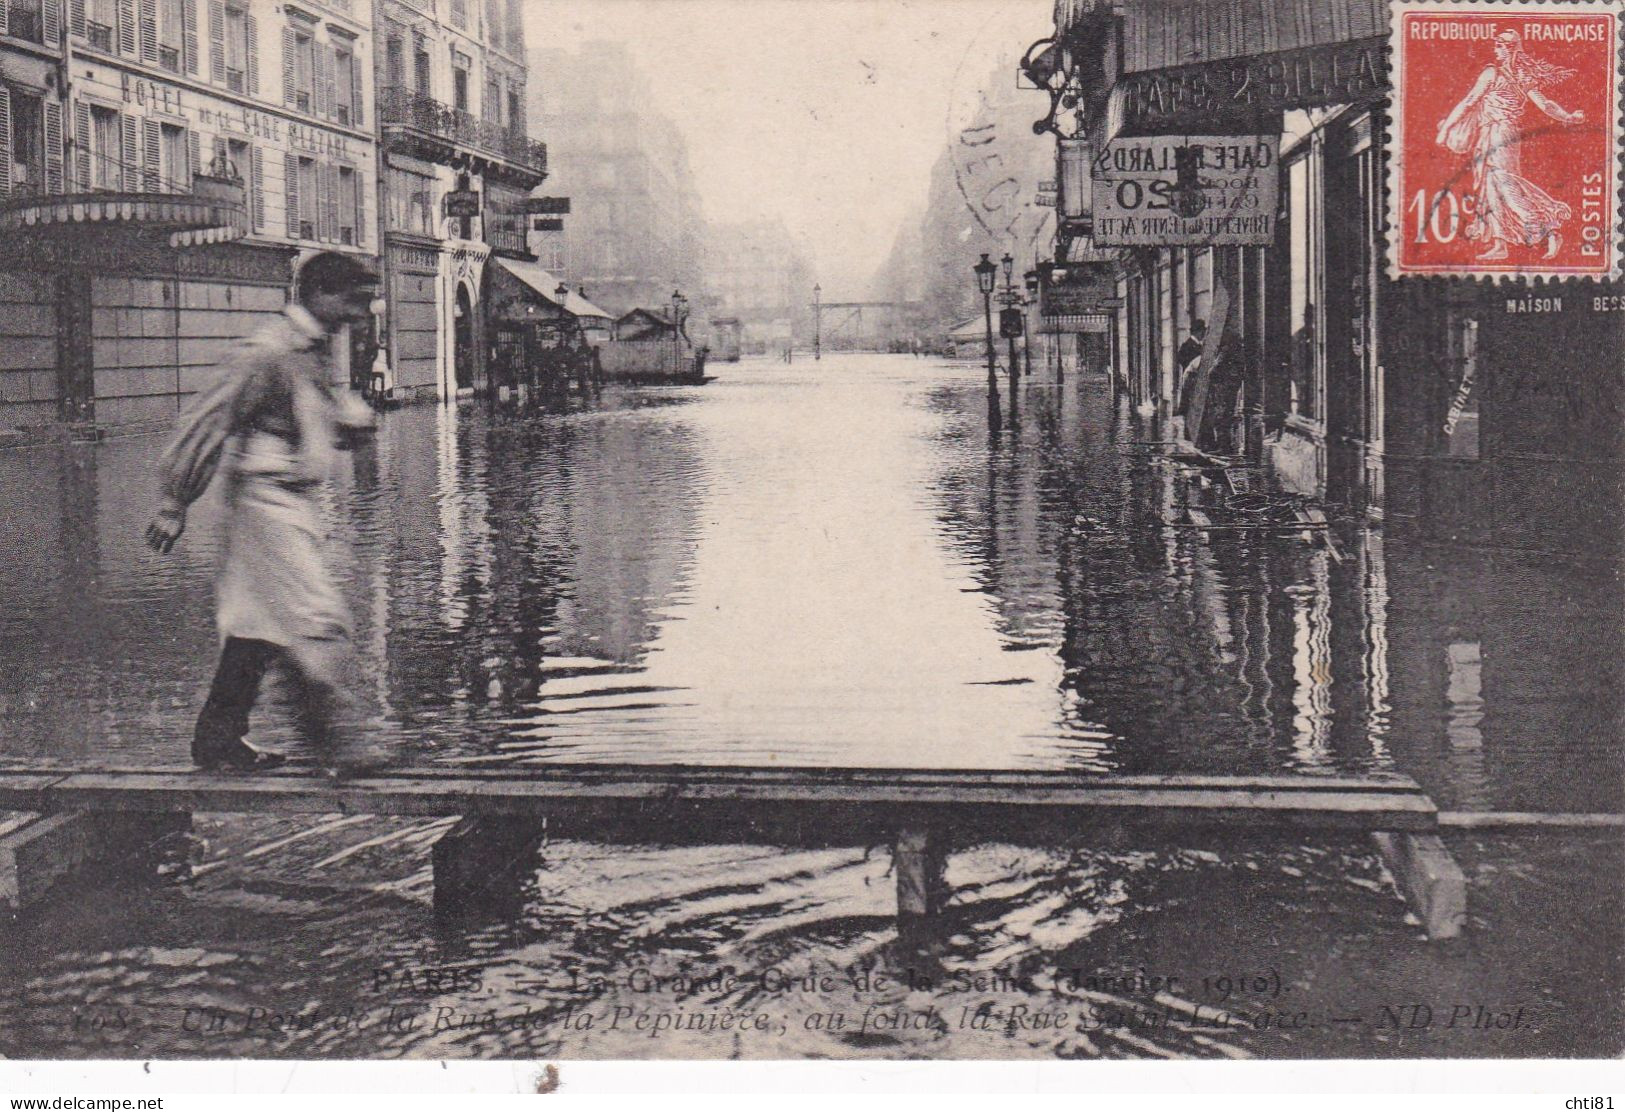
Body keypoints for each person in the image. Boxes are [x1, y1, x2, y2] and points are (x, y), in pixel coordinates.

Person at [145, 252, 384, 775]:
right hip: (265, 504)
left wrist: (345, 423)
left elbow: (302, 418)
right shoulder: (270, 350)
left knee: (258, 629)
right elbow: (212, 418)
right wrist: (174, 500)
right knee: (318, 617)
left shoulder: (311, 351)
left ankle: (217, 741)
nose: (358, 314)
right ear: (320, 293)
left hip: (288, 502)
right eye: (353, 301)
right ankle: (338, 745)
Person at [1435, 29, 1585, 261]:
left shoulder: (1492, 73)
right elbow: (1546, 105)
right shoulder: (1522, 76)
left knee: (1505, 184)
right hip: (1501, 134)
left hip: (1499, 133)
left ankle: (1547, 227)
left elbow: (1468, 102)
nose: (1495, 50)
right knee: (1492, 187)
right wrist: (1568, 117)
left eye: (1498, 46)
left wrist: (1446, 129)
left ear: (1508, 48)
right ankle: (1500, 244)